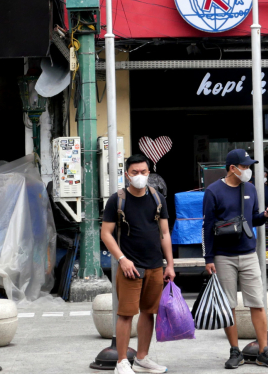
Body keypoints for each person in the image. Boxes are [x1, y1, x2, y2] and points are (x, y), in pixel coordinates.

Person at [203, 149, 268, 370]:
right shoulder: (213, 191)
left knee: (258, 303)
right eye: (245, 166)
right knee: (229, 306)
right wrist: (208, 257)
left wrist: (264, 216)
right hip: (222, 256)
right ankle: (234, 350)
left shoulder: (251, 189)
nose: (248, 171)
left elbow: (251, 220)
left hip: (248, 254)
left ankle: (264, 351)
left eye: (249, 166)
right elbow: (207, 226)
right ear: (232, 168)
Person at [101, 154, 175, 374]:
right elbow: (106, 234)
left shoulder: (158, 198)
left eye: (143, 172)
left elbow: (164, 233)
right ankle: (121, 362)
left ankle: (142, 359)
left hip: (155, 265)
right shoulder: (117, 199)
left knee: (148, 312)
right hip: (130, 267)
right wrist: (122, 260)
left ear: (149, 173)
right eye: (135, 172)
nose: (140, 176)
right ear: (127, 174)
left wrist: (169, 264)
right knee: (125, 313)